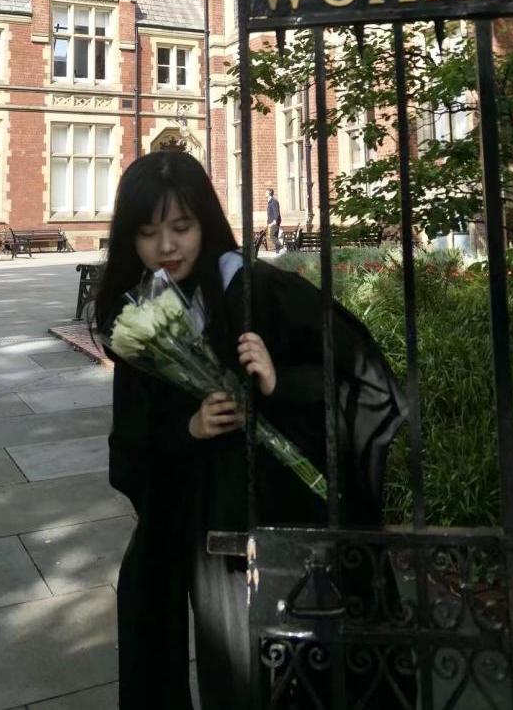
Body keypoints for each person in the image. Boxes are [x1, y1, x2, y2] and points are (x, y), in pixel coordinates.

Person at [95, 151, 412, 710]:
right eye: (148, 233)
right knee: (231, 675)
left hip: (278, 516)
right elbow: (130, 450)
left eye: (181, 227)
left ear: (205, 223)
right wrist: (190, 429)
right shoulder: (138, 324)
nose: (167, 246)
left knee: (294, 672)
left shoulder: (257, 290)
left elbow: (362, 377)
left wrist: (278, 382)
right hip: (203, 536)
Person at [265, 187, 282, 252]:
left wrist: (273, 222)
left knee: (272, 236)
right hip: (271, 222)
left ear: (269, 193)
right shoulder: (270, 202)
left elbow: (276, 213)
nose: (265, 193)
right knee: (274, 236)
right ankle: (278, 250)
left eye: (266, 192)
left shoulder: (273, 201)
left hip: (274, 222)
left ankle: (280, 246)